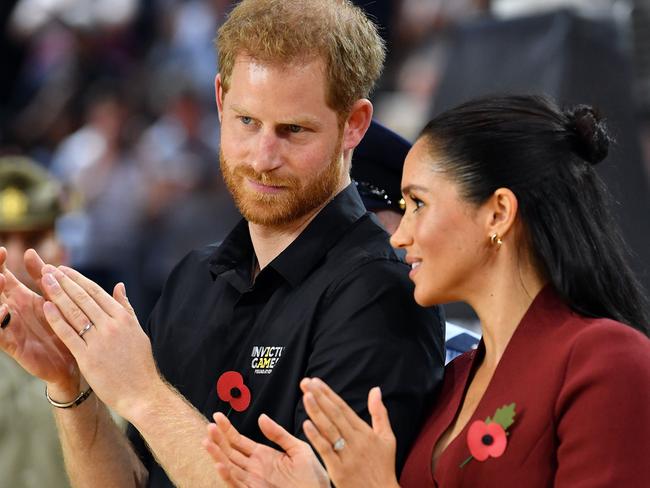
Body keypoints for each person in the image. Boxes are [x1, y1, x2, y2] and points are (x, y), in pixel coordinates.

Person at [0, 1, 445, 487]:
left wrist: (144, 393)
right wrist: (72, 386)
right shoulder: (194, 275)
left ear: (354, 124)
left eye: (293, 130)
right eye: (247, 121)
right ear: (219, 99)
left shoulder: (382, 295)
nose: (262, 157)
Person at [203, 95, 650, 487]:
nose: (399, 236)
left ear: (497, 213)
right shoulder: (454, 378)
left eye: (418, 204)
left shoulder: (607, 361)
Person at [0, 156, 69, 488]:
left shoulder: (105, 342)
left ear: (62, 250)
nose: (13, 256)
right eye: (2, 239)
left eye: (32, 239)